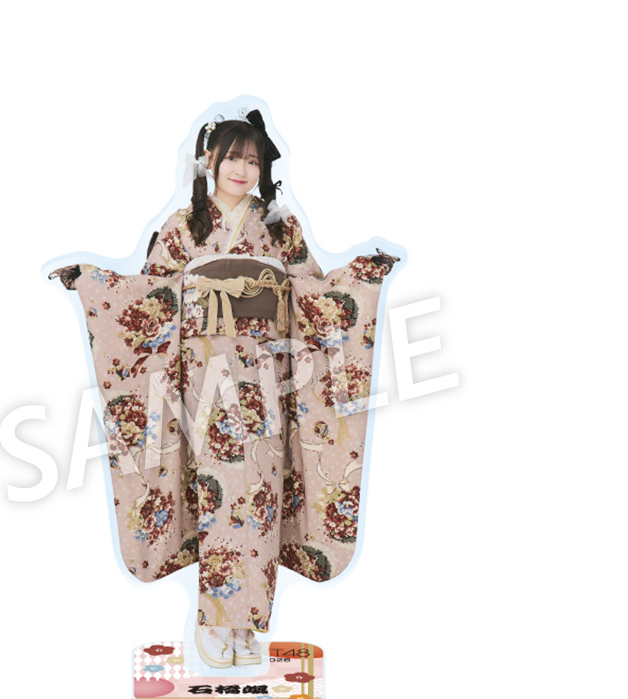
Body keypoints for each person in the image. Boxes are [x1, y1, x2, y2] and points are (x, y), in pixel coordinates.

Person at [51, 109, 398, 669]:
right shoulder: (183, 227)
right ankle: (214, 619)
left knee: (260, 494)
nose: (242, 169)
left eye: (253, 160)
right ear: (208, 160)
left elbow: (316, 295)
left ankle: (249, 621)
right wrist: (92, 283)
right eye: (233, 157)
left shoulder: (280, 228)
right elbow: (148, 296)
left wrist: (362, 275)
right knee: (220, 491)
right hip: (205, 383)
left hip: (267, 381)